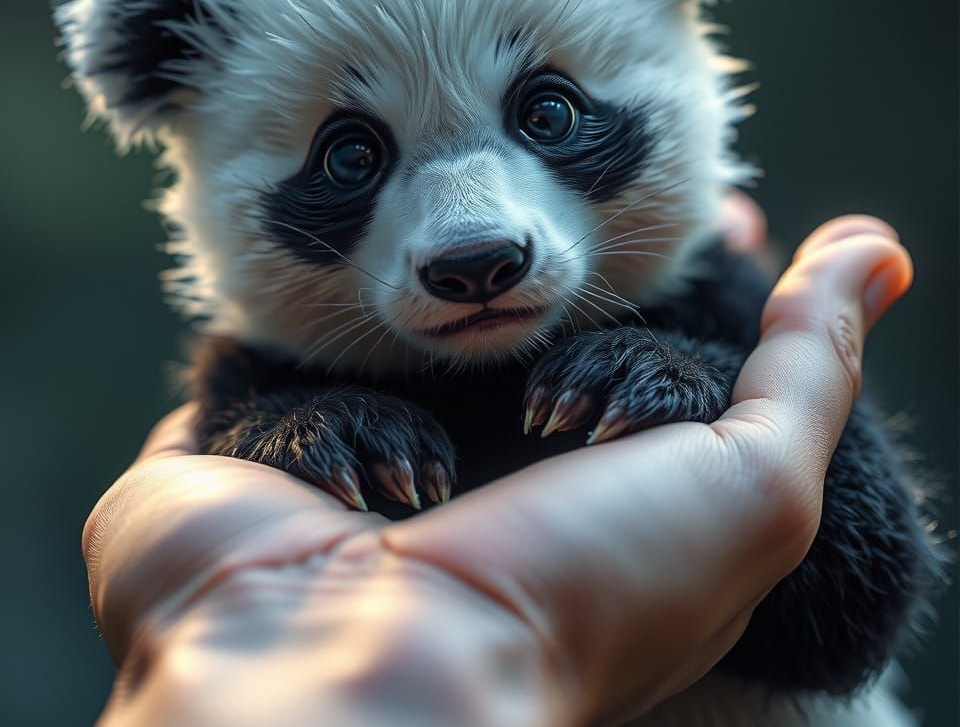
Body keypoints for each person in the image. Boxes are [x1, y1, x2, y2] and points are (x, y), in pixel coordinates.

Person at [83, 206, 913, 726]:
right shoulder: (262, 372)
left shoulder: (709, 281)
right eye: (351, 159)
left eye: (546, 115)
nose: (468, 232)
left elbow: (845, 626)